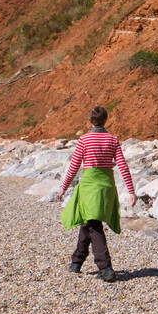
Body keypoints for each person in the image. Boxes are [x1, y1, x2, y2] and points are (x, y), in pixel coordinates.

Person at [57, 105, 135, 282]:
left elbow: (74, 167)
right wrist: (131, 190)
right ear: (106, 120)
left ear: (90, 120)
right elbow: (122, 165)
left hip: (89, 187)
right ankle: (76, 261)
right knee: (89, 221)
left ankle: (105, 267)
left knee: (94, 225)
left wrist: (63, 187)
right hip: (106, 187)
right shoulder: (113, 140)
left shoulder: (84, 140)